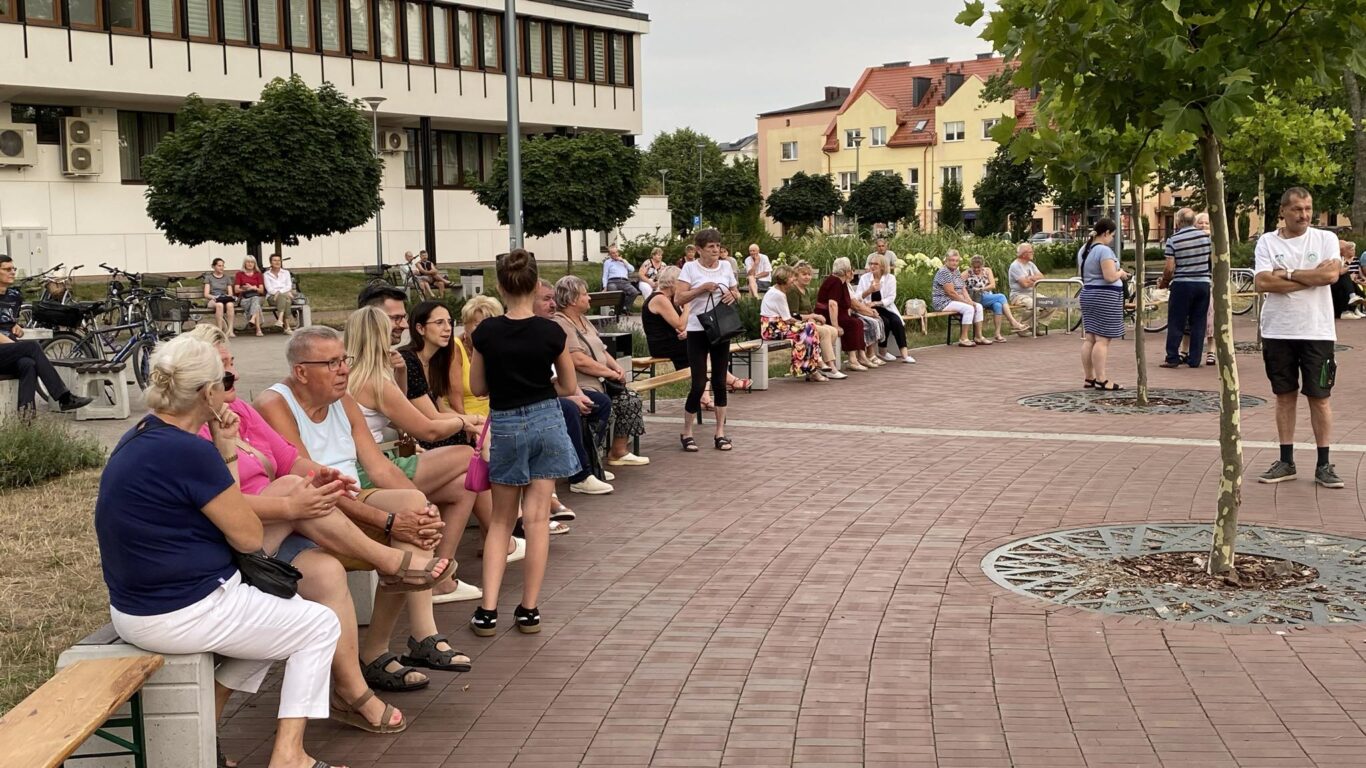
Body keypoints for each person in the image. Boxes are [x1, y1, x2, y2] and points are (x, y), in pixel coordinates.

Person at [187, 324, 452, 736]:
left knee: (345, 549)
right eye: (225, 371)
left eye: (233, 365)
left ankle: (363, 672)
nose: (234, 376)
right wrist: (297, 499)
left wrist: (328, 478)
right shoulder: (199, 429)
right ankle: (391, 572)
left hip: (294, 521)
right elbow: (232, 506)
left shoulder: (239, 412)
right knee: (310, 514)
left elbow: (292, 461)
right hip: (247, 538)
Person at [96, 334, 344, 768]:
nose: (228, 386)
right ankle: (290, 757)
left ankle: (201, 734)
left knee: (275, 620)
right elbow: (248, 537)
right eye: (223, 380)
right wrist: (230, 459)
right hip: (178, 609)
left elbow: (224, 510)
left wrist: (226, 449)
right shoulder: (189, 451)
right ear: (208, 393)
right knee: (319, 625)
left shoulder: (141, 435)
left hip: (135, 607)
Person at [255, 327, 475, 699]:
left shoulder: (343, 400)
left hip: (353, 499)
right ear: (301, 371)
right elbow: (309, 482)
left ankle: (412, 637)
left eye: (345, 360)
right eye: (332, 363)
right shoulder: (274, 404)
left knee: (412, 508)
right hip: (309, 513)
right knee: (401, 525)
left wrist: (423, 509)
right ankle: (380, 652)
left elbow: (380, 469)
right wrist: (387, 521)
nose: (343, 370)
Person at [468, 249, 580, 637]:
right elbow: (568, 386)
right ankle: (529, 609)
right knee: (536, 521)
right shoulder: (552, 332)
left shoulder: (484, 333)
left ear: (499, 286)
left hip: (506, 423)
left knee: (501, 520)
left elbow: (477, 387)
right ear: (535, 286)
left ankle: (487, 610)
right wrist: (540, 385)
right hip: (546, 419)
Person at [1252, 187, 1344, 488]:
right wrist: (1309, 277)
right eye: (1297, 209)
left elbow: (1329, 277)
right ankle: (1286, 460)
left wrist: (1289, 274)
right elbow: (1263, 282)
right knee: (1284, 396)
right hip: (1278, 331)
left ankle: (1324, 464)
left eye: (1308, 209)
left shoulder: (1325, 239)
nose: (1304, 215)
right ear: (1283, 211)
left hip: (1317, 331)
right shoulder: (1267, 241)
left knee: (1320, 398)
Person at [553, 275, 650, 467]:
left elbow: (601, 348)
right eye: (585, 294)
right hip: (581, 384)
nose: (589, 298)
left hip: (600, 382)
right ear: (572, 299)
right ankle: (591, 461)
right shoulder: (561, 323)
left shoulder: (583, 320)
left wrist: (615, 366)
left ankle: (618, 452)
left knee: (630, 399)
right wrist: (609, 373)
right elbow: (578, 359)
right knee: (604, 406)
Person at [0, 255, 92, 414]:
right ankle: (64, 397)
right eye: (7, 269)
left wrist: (16, 326)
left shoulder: (14, 296)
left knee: (28, 364)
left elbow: (7, 321)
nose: (12, 272)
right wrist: (15, 345)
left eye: (13, 269)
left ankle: (26, 419)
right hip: (5, 349)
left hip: (7, 353)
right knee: (31, 347)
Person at [676, 228, 739, 451]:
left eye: (717, 246)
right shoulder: (690, 268)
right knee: (699, 383)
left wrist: (733, 294)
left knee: (720, 381)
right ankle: (687, 432)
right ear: (700, 249)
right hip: (697, 329)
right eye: (710, 246)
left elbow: (735, 291)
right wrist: (701, 288)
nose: (715, 250)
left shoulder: (726, 267)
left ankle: (720, 432)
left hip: (721, 327)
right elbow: (679, 297)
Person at [1077, 219, 1128, 390]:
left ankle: (1089, 377)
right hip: (1105, 296)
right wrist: (1120, 272)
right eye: (1112, 235)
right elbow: (1109, 276)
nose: (1112, 239)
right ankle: (1102, 379)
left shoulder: (1084, 249)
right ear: (1105, 233)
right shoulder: (1104, 251)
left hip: (1088, 293)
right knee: (1102, 339)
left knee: (1090, 337)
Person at [1159, 208, 1212, 369]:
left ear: (1178, 222)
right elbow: (1211, 260)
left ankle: (1173, 357)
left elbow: (1169, 268)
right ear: (1194, 222)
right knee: (1199, 321)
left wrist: (1165, 282)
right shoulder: (1206, 238)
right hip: (1203, 283)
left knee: (1177, 321)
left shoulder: (1173, 240)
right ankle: (1195, 359)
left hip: (1182, 284)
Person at [760, 266, 829, 381]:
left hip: (777, 325)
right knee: (808, 329)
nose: (793, 279)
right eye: (792, 277)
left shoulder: (777, 291)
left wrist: (806, 323)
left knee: (809, 328)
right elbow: (788, 319)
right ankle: (815, 364)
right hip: (771, 329)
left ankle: (812, 367)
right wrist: (804, 322)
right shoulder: (778, 295)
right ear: (785, 279)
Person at [817, 257, 875, 370]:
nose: (851, 272)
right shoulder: (835, 282)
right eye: (849, 269)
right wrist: (835, 325)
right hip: (826, 315)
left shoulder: (842, 282)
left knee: (857, 322)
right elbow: (832, 304)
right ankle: (852, 359)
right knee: (853, 324)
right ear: (845, 271)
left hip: (839, 314)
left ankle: (861, 356)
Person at [788, 261, 842, 374]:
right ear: (796, 276)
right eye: (804, 274)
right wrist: (812, 316)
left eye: (809, 274)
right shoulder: (793, 290)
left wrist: (815, 318)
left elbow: (808, 310)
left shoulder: (806, 290)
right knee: (824, 332)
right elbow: (793, 314)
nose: (807, 277)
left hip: (808, 322)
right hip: (796, 325)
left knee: (832, 330)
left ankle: (821, 362)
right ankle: (831, 367)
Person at [963, 255, 1030, 342]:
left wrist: (981, 289)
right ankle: (1013, 322)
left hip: (987, 296)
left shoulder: (987, 271)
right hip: (976, 298)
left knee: (998, 305)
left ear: (982, 265)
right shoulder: (967, 273)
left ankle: (997, 334)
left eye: (978, 267)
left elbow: (992, 285)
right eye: (974, 267)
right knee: (1001, 296)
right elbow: (958, 284)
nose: (976, 269)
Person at [932, 249, 990, 348]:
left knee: (978, 306)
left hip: (955, 300)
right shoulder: (944, 272)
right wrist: (966, 302)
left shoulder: (956, 271)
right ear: (946, 261)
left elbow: (963, 288)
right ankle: (963, 338)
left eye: (956, 260)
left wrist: (970, 301)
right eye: (951, 260)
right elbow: (951, 293)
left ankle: (978, 336)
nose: (954, 263)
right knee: (969, 308)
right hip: (943, 302)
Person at [1007, 242, 1047, 326]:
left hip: (1032, 293)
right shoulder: (1015, 266)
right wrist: (1034, 279)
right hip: (1018, 295)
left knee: (1051, 303)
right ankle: (1022, 327)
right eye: (1031, 252)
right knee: (1033, 305)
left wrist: (1029, 278)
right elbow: (1024, 284)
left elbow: (1042, 277)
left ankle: (1036, 325)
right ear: (1024, 254)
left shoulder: (1031, 265)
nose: (1033, 253)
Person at [1330, 240, 1364, 319]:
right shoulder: (1333, 258)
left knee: (1349, 284)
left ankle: (1349, 310)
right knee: (1346, 275)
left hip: (1339, 282)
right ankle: (1352, 299)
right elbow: (1338, 272)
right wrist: (1346, 268)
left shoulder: (1341, 258)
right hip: (1329, 282)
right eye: (1347, 248)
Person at [203, 258, 237, 337]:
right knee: (219, 305)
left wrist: (227, 296)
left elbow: (230, 293)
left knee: (230, 305)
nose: (221, 267)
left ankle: (230, 330)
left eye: (222, 266)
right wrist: (214, 297)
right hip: (213, 299)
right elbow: (206, 294)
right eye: (219, 266)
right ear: (213, 266)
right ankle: (220, 330)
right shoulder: (209, 278)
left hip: (224, 298)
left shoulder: (226, 278)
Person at [600, 244, 640, 310]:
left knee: (634, 292)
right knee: (613, 290)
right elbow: (605, 275)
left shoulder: (623, 261)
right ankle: (615, 309)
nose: (615, 254)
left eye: (616, 252)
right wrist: (605, 287)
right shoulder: (608, 262)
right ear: (610, 254)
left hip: (625, 282)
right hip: (613, 281)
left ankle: (624, 308)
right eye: (613, 253)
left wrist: (624, 261)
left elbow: (632, 270)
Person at [264, 254, 297, 334]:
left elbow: (288, 286)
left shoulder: (286, 273)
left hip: (282, 296)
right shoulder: (266, 274)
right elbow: (269, 289)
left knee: (285, 299)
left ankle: (281, 321)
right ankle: (287, 327)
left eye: (279, 260)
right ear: (271, 262)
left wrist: (279, 292)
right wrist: (280, 292)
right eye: (274, 260)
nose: (277, 262)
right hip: (272, 298)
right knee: (287, 300)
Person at [234, 257, 266, 337]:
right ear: (244, 263)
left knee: (255, 299)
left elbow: (261, 291)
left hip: (257, 297)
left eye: (252, 262)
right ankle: (258, 329)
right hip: (244, 299)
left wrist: (253, 288)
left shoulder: (258, 274)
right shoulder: (239, 274)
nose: (250, 264)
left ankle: (253, 320)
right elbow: (236, 290)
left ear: (254, 264)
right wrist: (245, 289)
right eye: (248, 262)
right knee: (257, 305)